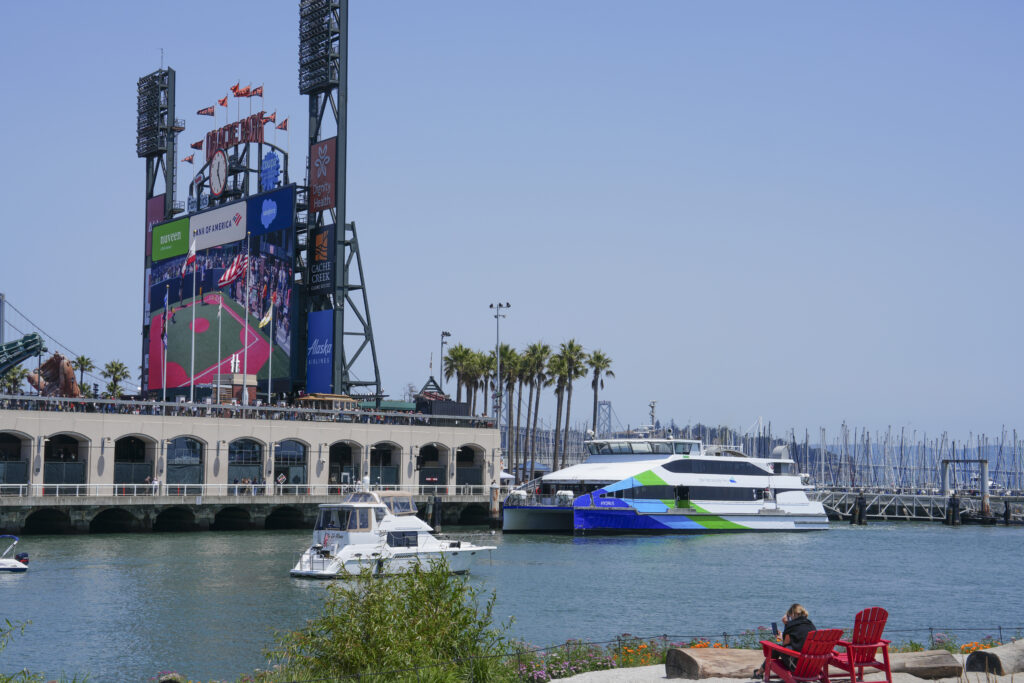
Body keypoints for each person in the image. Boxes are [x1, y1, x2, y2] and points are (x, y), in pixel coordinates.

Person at [753, 603, 815, 678]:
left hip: (796, 665)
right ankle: (759, 672)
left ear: (792, 614)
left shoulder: (792, 626)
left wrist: (786, 626)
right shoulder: (811, 625)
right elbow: (799, 638)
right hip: (810, 665)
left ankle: (759, 673)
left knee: (775, 649)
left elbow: (784, 645)